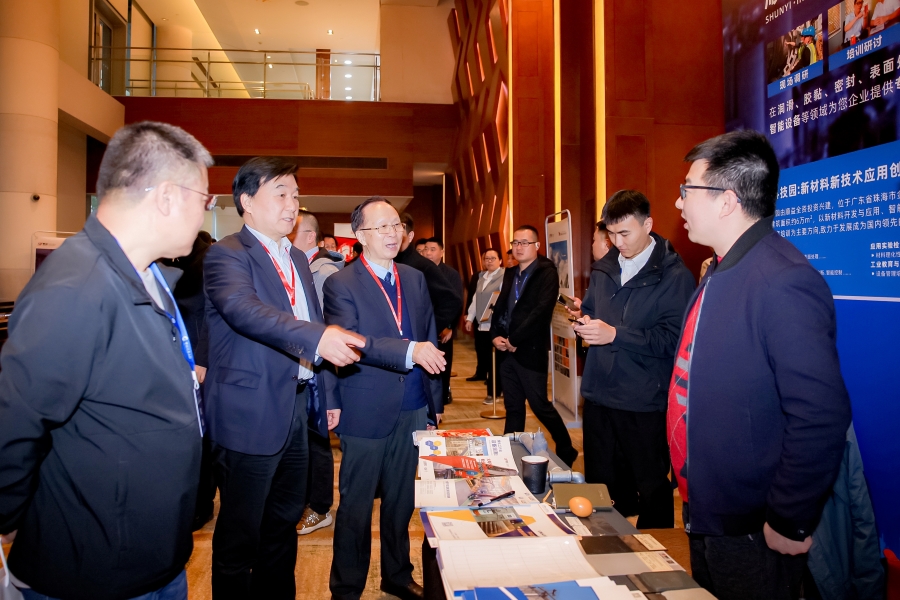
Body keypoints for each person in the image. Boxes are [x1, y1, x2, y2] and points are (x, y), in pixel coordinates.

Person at [0, 121, 214, 600]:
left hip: (153, 557)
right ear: (166, 197)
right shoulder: (76, 288)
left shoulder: (148, 274)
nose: (205, 212)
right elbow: (16, 424)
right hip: (95, 569)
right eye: (203, 198)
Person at [670, 130, 852, 599]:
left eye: (688, 189)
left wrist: (789, 519)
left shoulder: (782, 280)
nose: (679, 202)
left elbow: (820, 415)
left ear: (727, 200)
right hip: (708, 509)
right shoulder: (724, 267)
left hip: (751, 527)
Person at [203, 157, 364, 600]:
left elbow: (311, 321)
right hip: (248, 412)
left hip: (296, 408)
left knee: (282, 521)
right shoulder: (228, 254)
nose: (292, 205)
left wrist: (327, 393)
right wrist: (320, 338)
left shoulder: (294, 256)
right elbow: (245, 311)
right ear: (246, 201)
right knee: (240, 534)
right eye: (280, 194)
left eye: (295, 195)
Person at [326, 197, 446, 600]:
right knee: (356, 507)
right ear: (360, 236)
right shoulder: (341, 283)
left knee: (401, 501)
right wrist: (411, 351)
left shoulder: (413, 277)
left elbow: (428, 336)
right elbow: (352, 341)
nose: (394, 233)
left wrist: (433, 404)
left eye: (397, 225)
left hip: (413, 405)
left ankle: (396, 575)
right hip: (365, 408)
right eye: (382, 227)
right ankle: (347, 588)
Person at [570, 191, 695, 528]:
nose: (618, 242)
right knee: (601, 488)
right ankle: (606, 547)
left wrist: (615, 334)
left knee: (651, 488)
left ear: (648, 225)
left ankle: (655, 556)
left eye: (625, 233)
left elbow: (673, 340)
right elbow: (595, 310)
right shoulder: (605, 268)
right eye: (611, 234)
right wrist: (585, 320)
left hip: (643, 400)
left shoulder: (674, 276)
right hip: (599, 394)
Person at [490, 226, 578, 467]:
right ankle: (509, 453)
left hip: (530, 350)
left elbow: (541, 312)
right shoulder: (510, 273)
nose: (518, 247)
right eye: (515, 243)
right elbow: (501, 307)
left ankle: (567, 448)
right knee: (513, 406)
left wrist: (515, 340)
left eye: (524, 243)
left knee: (540, 405)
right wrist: (495, 335)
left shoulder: (546, 273)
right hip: (506, 351)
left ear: (537, 246)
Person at [290, 210, 346, 536]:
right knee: (305, 440)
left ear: (310, 237)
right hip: (304, 367)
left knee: (317, 440)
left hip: (321, 370)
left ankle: (319, 507)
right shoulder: (299, 266)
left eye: (293, 232)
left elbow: (329, 330)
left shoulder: (323, 271)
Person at [161, 232, 216, 531]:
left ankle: (201, 504)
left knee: (201, 436)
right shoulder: (165, 258)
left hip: (197, 361)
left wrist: (202, 359)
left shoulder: (208, 259)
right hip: (171, 360)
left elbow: (211, 315)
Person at [395, 214, 463, 372]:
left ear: (410, 235)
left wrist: (426, 330)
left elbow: (452, 301)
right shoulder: (390, 261)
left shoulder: (422, 266)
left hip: (418, 346)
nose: (393, 234)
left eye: (398, 229)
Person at [424, 237, 464, 406]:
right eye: (425, 249)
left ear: (442, 252)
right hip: (424, 326)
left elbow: (456, 301)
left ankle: (442, 398)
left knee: (443, 365)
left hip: (443, 329)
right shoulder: (419, 270)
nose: (428, 253)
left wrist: (449, 326)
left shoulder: (450, 273)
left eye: (432, 249)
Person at [463, 249, 505, 402]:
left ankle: (494, 393)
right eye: (487, 258)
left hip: (497, 325)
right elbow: (475, 300)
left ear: (500, 260)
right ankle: (495, 390)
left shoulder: (505, 276)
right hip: (482, 324)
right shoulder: (482, 277)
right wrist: (470, 318)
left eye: (493, 258)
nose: (489, 261)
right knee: (487, 358)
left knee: (497, 360)